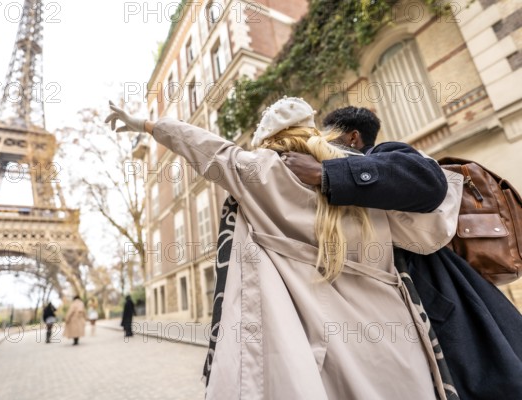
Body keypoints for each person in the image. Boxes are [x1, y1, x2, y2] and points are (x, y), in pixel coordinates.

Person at [105, 98, 460, 399]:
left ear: (269, 139)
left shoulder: (261, 171)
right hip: (394, 331)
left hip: (323, 336)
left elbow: (204, 147)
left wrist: (148, 125)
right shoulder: (360, 170)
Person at [282, 105, 522, 400]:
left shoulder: (383, 153)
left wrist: (325, 172)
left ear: (353, 138)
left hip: (436, 296)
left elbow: (429, 182)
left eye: (329, 137)